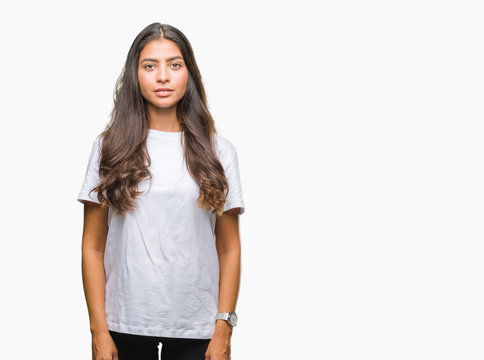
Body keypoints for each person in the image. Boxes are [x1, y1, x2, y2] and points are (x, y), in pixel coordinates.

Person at [77, 22, 245, 360]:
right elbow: (92, 246)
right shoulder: (109, 148)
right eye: (150, 65)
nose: (163, 76)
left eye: (174, 64)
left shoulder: (218, 151)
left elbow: (229, 248)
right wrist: (98, 331)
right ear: (135, 75)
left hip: (197, 328)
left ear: (189, 73)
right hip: (123, 325)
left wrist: (223, 328)